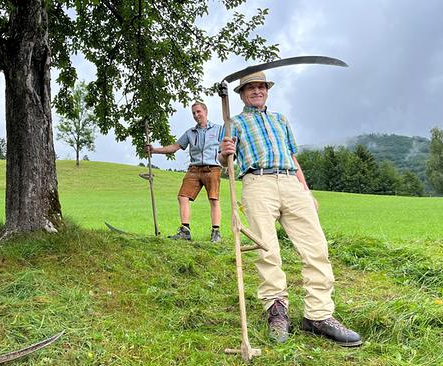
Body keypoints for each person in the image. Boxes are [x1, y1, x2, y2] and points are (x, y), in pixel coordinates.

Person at [218, 72, 362, 346]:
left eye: (261, 87)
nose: (257, 91)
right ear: (242, 94)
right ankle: (277, 312)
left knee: (316, 247)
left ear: (267, 91)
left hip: (290, 182)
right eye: (251, 88)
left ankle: (318, 315)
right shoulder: (233, 123)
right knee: (267, 249)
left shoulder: (280, 119)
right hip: (257, 182)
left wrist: (306, 190)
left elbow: (292, 157)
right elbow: (226, 161)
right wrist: (225, 152)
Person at [146, 101, 223, 242]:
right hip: (194, 169)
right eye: (193, 113)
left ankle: (216, 232)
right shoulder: (190, 133)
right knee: (182, 196)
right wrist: (155, 150)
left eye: (198, 111)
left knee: (213, 199)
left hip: (212, 168)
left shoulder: (219, 129)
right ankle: (185, 232)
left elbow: (227, 147)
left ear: (206, 111)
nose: (196, 115)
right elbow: (175, 147)